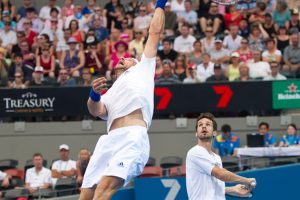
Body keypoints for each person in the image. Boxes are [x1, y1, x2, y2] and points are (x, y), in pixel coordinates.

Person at [80, 1, 166, 199]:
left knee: (103, 191)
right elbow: (96, 111)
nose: (122, 58)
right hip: (108, 140)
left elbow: (154, 33)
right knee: (86, 195)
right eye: (122, 58)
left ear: (135, 64)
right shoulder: (109, 91)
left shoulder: (143, 69)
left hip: (132, 137)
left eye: (128, 58)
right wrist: (94, 94)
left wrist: (161, 3)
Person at [186, 113, 256, 200]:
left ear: (214, 133)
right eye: (200, 125)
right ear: (196, 133)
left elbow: (214, 187)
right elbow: (220, 173)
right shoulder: (195, 152)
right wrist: (246, 180)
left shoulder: (216, 157)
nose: (204, 126)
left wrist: (233, 189)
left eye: (208, 124)